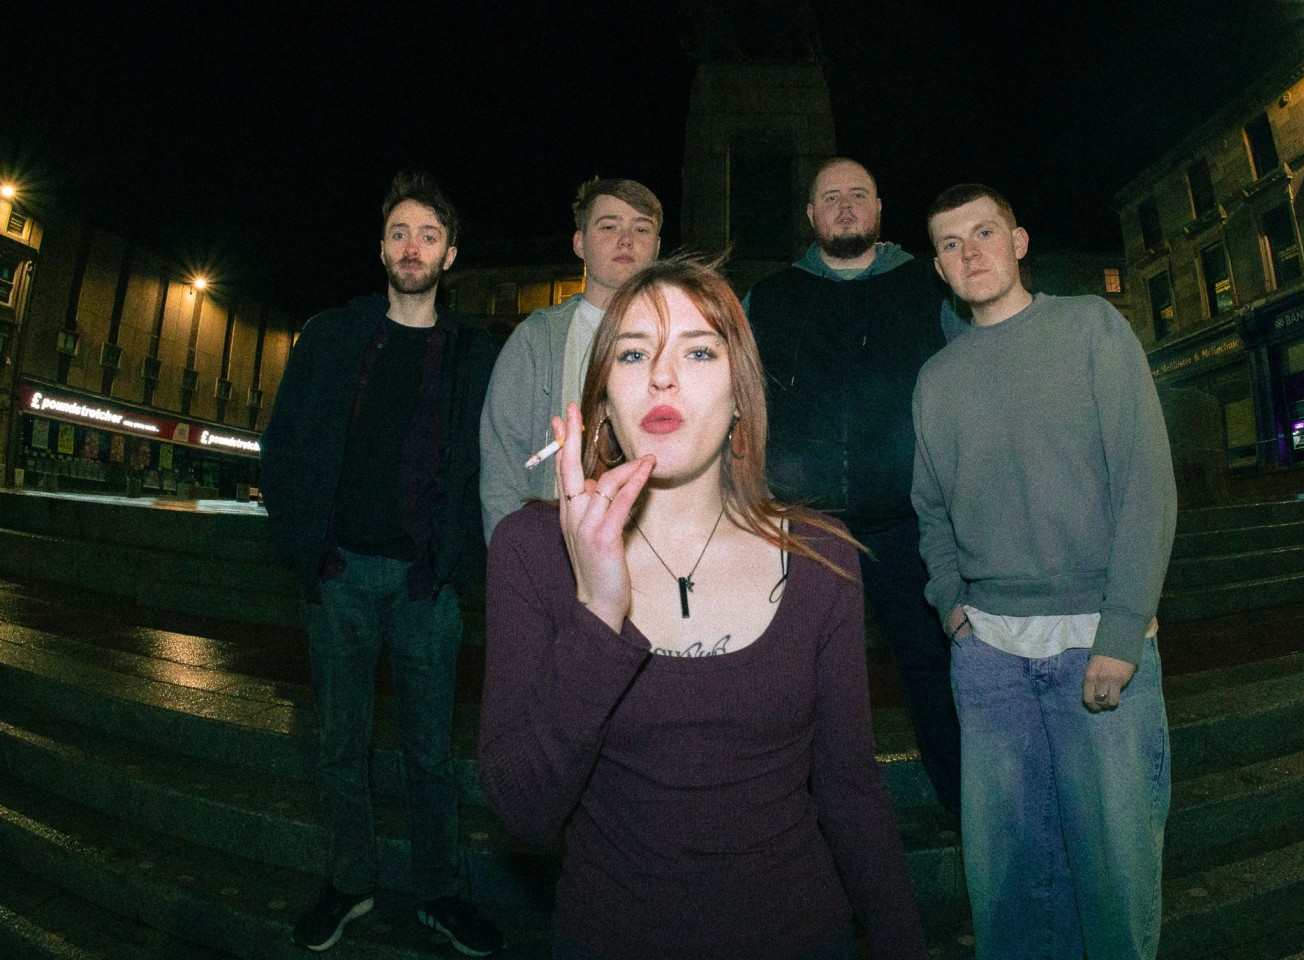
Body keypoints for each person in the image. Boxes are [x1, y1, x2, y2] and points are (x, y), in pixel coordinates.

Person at [478, 258, 927, 960]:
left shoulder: (822, 560)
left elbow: (850, 788)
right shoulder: (531, 549)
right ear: (602, 403)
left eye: (697, 350)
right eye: (632, 353)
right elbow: (523, 810)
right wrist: (599, 607)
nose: (662, 376)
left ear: (741, 393)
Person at [913, 184, 1175, 959]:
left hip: (1097, 643)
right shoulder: (936, 380)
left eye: (984, 232)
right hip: (989, 660)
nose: (972, 252)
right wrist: (952, 611)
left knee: (1116, 881)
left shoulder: (1092, 327)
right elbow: (931, 511)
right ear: (939, 267)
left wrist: (1123, 630)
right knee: (1008, 891)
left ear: (1019, 240)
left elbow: (1145, 483)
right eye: (952, 245)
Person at [261, 171, 503, 956]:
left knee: (432, 752)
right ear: (380, 249)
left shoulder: (475, 353)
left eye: (428, 235)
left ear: (450, 254)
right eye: (400, 233)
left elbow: (489, 464)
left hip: (425, 586)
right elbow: (283, 445)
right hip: (339, 579)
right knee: (341, 742)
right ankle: (350, 881)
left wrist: (454, 560)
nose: (412, 247)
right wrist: (310, 552)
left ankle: (438, 891)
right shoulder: (332, 335)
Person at [743, 157, 960, 815]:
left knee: (929, 671)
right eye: (830, 197)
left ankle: (965, 809)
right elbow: (737, 401)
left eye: (857, 195)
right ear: (810, 216)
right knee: (798, 687)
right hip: (804, 529)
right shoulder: (769, 298)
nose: (844, 206)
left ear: (878, 209)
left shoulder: (930, 289)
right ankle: (797, 827)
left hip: (908, 523)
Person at [479, 176, 662, 538]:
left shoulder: (678, 340)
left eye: (641, 228)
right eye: (608, 226)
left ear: (656, 247)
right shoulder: (537, 340)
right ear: (579, 243)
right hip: (558, 548)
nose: (626, 239)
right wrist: (520, 564)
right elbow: (502, 466)